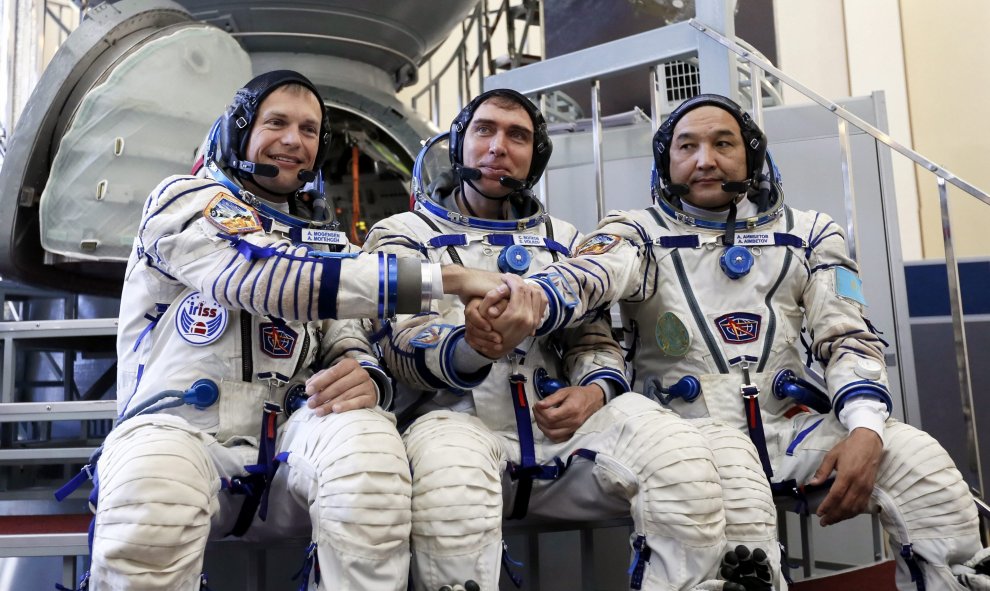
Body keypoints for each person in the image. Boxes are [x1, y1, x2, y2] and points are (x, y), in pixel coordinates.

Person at [473, 93, 990, 591]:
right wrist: (534, 297)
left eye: (723, 144)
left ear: (752, 156)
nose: (705, 160)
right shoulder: (635, 233)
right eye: (687, 147)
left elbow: (849, 336)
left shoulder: (809, 234)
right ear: (666, 160)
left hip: (790, 433)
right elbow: (588, 275)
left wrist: (865, 430)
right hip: (690, 440)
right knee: (744, 552)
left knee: (919, 464)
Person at [75, 70, 498, 591]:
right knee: (152, 497)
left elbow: (346, 332)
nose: (294, 141)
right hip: (181, 429)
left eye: (310, 129)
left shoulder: (325, 240)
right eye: (276, 123)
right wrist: (446, 279)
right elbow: (263, 276)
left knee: (370, 457)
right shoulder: (182, 202)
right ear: (238, 131)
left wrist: (362, 370)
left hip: (291, 435)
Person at [363, 88, 764, 591]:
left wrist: (595, 391)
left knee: (677, 452)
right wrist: (471, 345)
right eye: (484, 131)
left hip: (560, 433)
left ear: (536, 156)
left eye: (518, 136)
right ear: (460, 144)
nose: (497, 147)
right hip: (456, 425)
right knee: (453, 489)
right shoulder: (401, 234)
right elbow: (398, 346)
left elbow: (594, 340)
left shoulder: (565, 238)